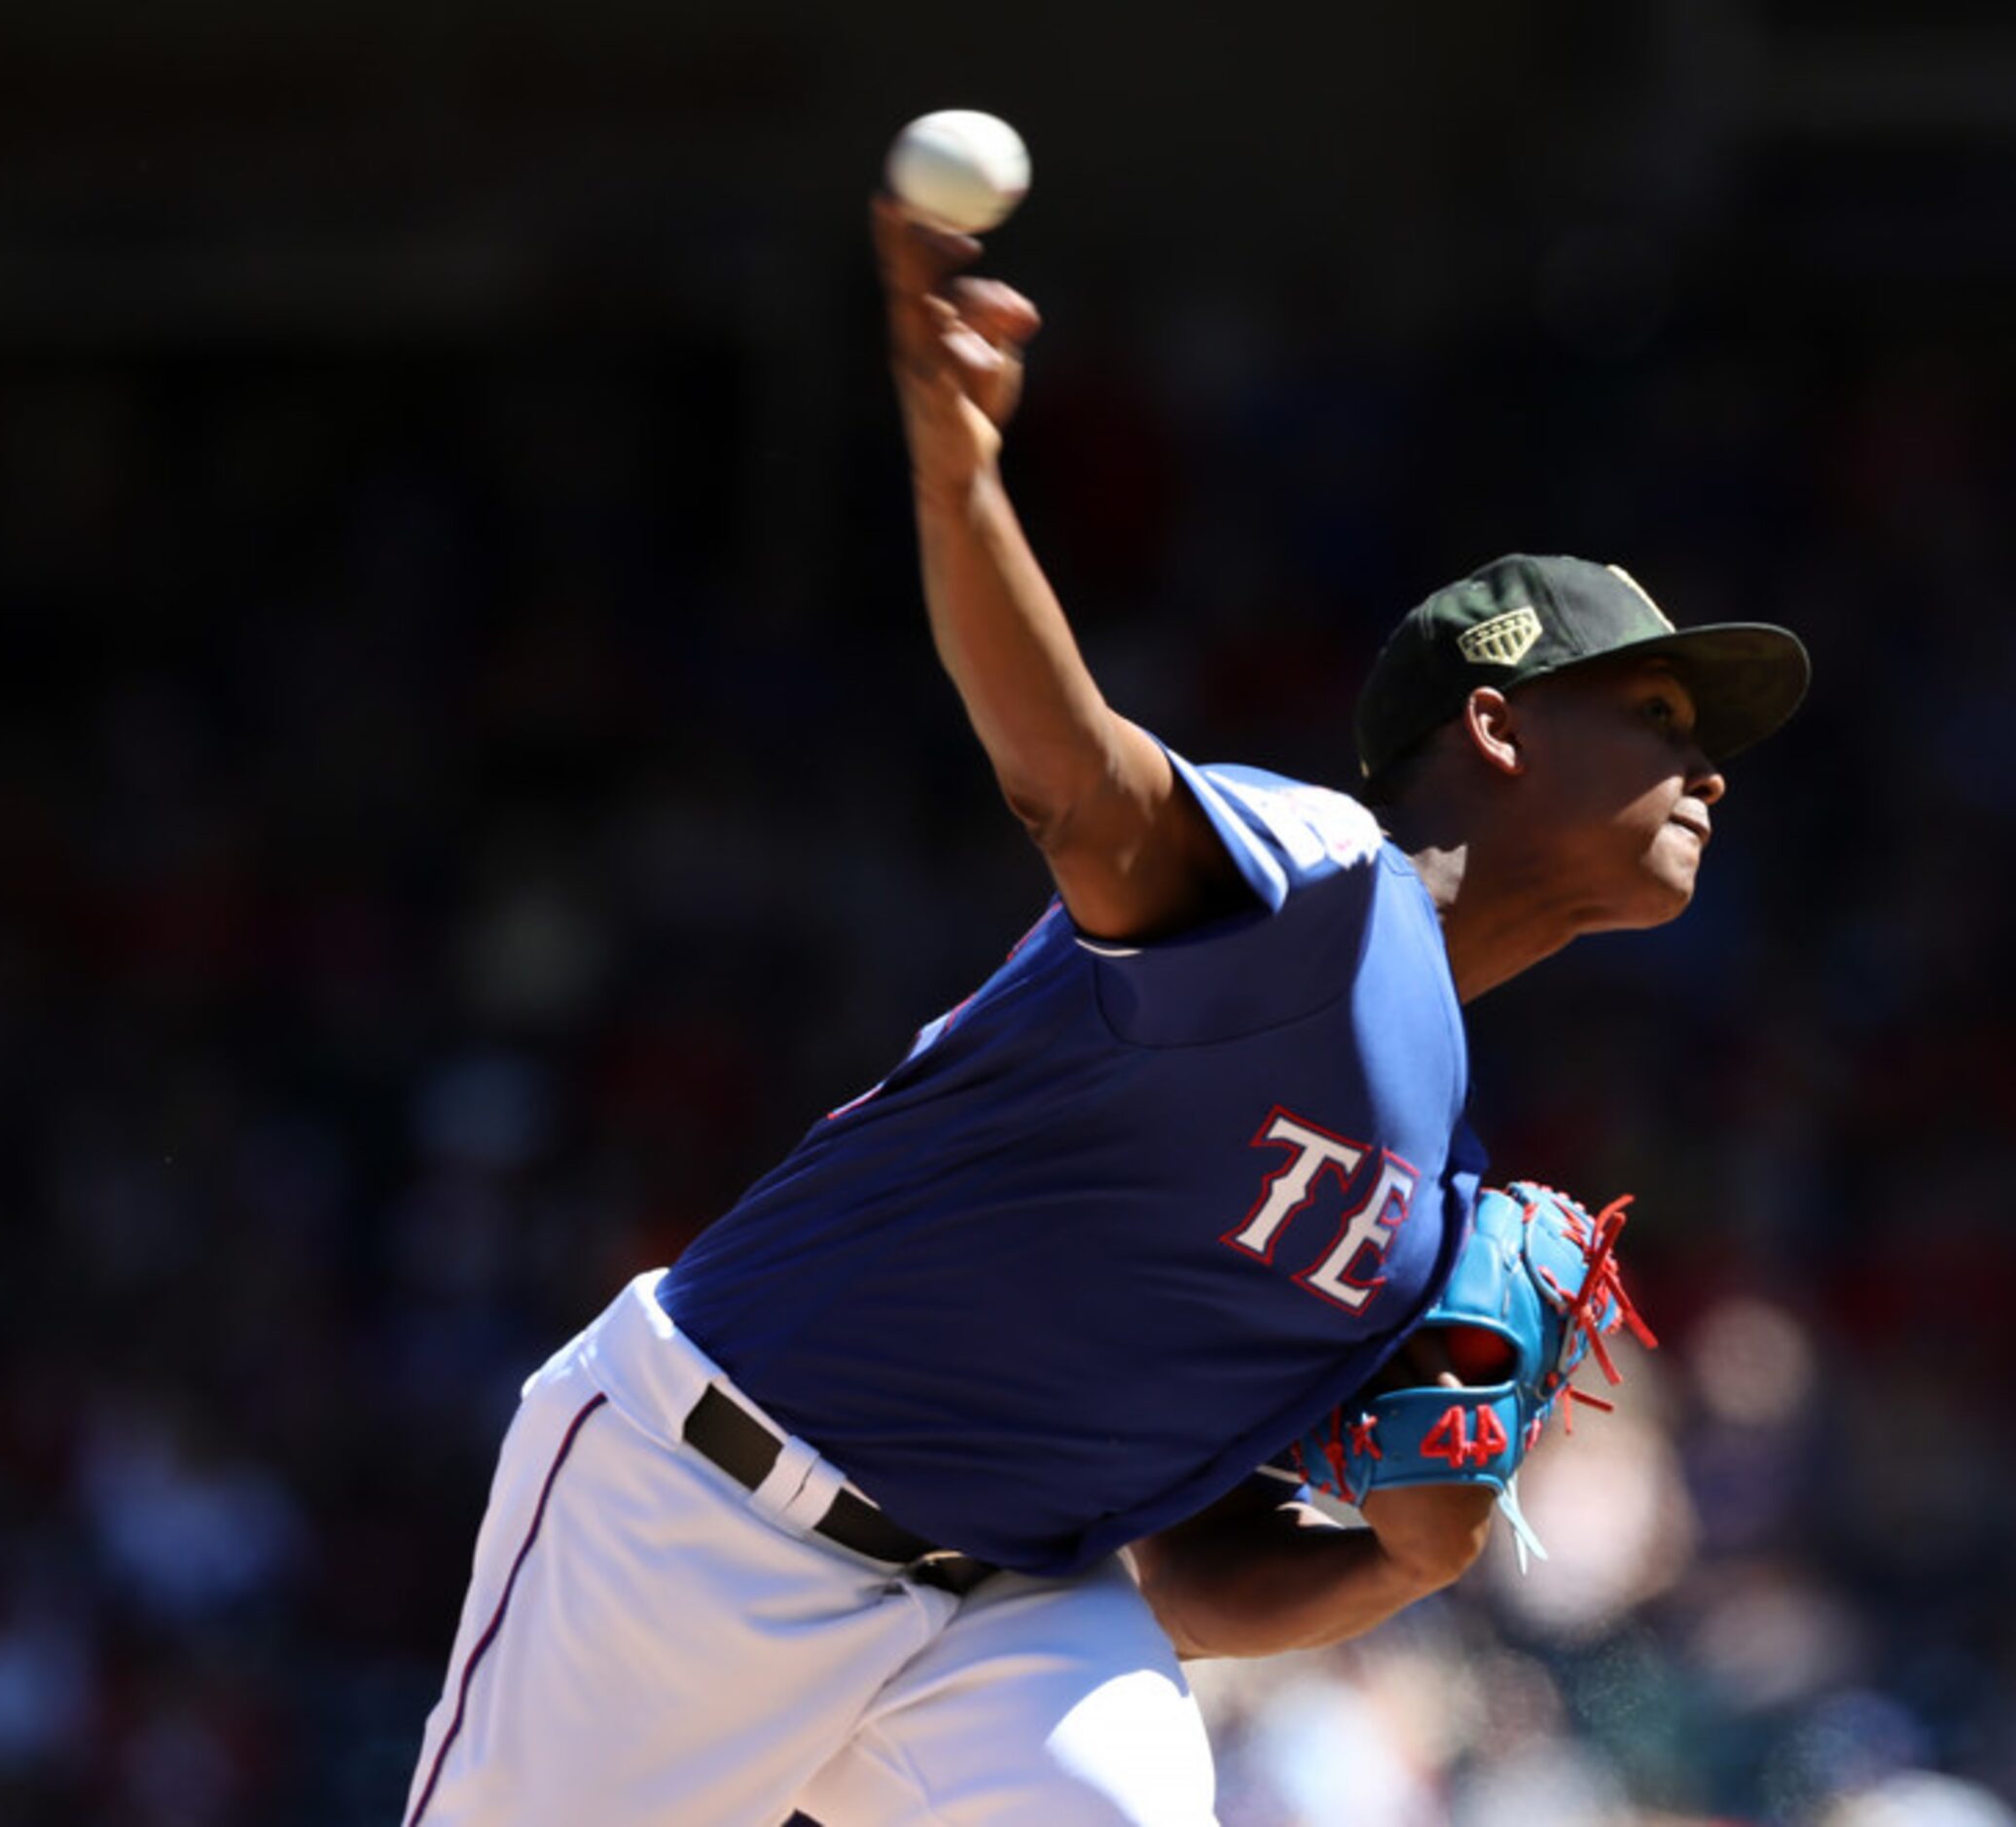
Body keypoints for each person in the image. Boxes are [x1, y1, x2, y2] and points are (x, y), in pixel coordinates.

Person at [401, 197, 1809, 1827]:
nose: (1704, 764)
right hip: (697, 1508)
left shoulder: (1434, 1197)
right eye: (1649, 711)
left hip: (1008, 1603)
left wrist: (1412, 1556)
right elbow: (1069, 778)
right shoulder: (1319, 885)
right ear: (1494, 727)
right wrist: (958, 480)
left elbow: (1190, 1573)